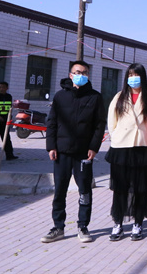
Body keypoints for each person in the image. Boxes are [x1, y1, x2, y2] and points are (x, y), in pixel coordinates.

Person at [41, 61, 106, 244]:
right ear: (71, 75)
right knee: (59, 190)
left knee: (84, 191)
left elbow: (99, 125)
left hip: (84, 153)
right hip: (61, 152)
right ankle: (58, 227)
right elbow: (52, 122)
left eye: (84, 72)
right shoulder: (60, 96)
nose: (81, 75)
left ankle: (83, 226)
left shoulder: (95, 97)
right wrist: (51, 146)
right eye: (78, 72)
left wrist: (94, 147)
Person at [106, 63, 147, 242]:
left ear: (143, 77)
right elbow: (112, 122)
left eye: (136, 75)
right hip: (121, 148)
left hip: (142, 148)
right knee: (120, 188)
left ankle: (138, 223)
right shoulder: (119, 97)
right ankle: (118, 223)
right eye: (130, 75)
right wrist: (117, 137)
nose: (133, 78)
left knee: (140, 188)